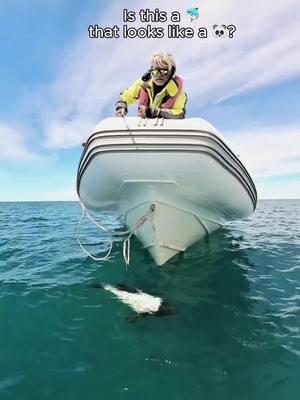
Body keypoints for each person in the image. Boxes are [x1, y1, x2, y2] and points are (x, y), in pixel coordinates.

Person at [115, 51, 187, 119]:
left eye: (163, 71)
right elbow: (125, 97)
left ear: (171, 72)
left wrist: (153, 112)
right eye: (155, 71)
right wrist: (121, 107)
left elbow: (179, 114)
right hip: (144, 126)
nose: (159, 75)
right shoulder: (143, 83)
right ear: (151, 71)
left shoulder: (179, 92)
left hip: (166, 128)